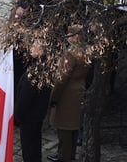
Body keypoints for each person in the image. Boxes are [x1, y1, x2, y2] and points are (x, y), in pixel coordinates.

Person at [48, 25, 87, 162]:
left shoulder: (70, 54)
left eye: (70, 35)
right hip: (78, 94)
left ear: (76, 37)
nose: (68, 38)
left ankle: (64, 156)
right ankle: (67, 155)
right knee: (73, 130)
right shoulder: (85, 51)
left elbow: (62, 79)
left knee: (64, 131)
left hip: (66, 97)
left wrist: (54, 98)